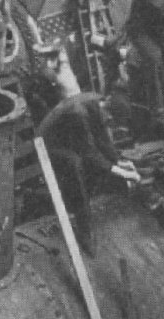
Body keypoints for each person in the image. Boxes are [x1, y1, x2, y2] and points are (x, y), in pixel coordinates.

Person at [37, 92, 140, 253]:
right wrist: (123, 173)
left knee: (94, 163)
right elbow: (89, 153)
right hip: (46, 146)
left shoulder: (97, 103)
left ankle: (85, 200)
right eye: (111, 122)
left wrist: (118, 161)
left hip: (66, 139)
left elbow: (101, 138)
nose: (110, 125)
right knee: (74, 164)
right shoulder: (79, 114)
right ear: (109, 115)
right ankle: (85, 228)